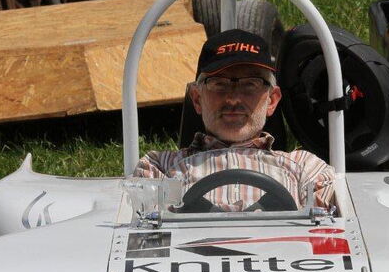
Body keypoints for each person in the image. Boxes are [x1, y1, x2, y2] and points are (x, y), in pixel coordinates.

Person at [134, 29, 335, 211]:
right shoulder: (159, 167)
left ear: (272, 101)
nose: (233, 99)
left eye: (250, 84)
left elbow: (335, 231)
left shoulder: (305, 168)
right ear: (197, 99)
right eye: (219, 84)